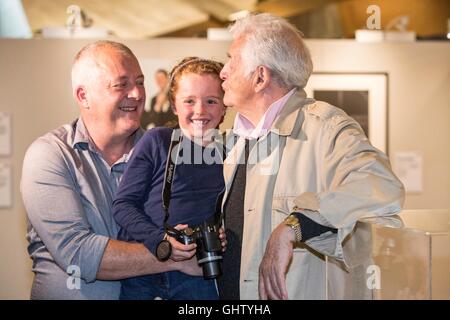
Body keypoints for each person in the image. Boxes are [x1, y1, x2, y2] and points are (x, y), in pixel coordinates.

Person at [217, 13, 405, 300]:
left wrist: (295, 225)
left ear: (260, 77)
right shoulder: (235, 141)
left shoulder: (324, 128)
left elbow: (381, 185)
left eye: (232, 60)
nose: (224, 72)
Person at [20, 41, 202, 300]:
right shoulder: (50, 156)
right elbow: (78, 252)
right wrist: (172, 255)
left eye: (140, 82)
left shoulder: (167, 155)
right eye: (122, 84)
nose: (138, 94)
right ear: (83, 96)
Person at [112, 57, 226, 300]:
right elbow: (123, 206)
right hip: (144, 272)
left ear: (225, 106)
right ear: (174, 106)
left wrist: (224, 234)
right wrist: (162, 241)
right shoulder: (158, 141)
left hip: (197, 274)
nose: (200, 110)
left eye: (211, 101)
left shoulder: (231, 154)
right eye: (189, 101)